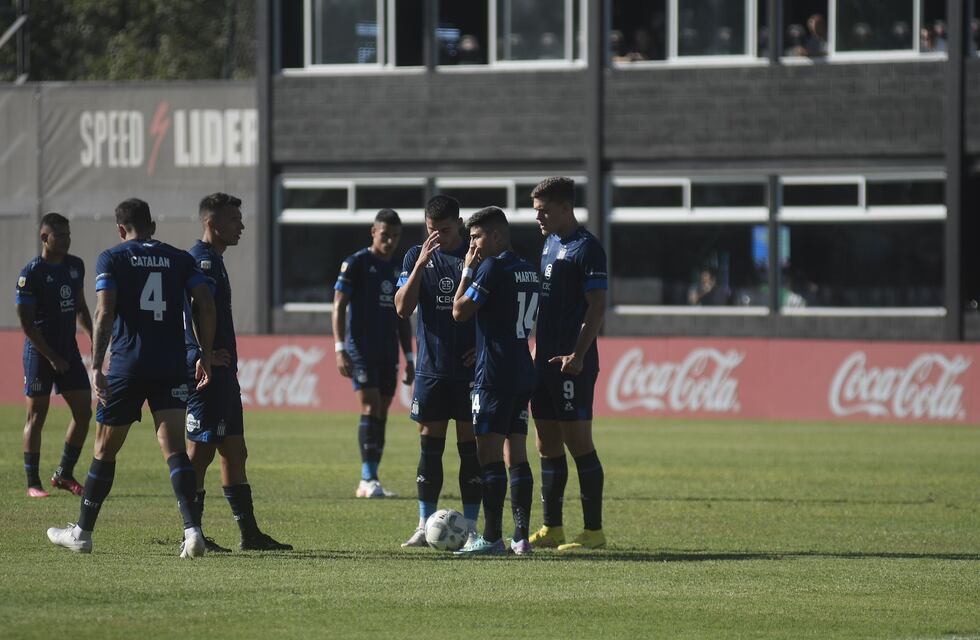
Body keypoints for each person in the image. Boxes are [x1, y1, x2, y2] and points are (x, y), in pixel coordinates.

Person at [46, 198, 216, 557]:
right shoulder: (179, 258)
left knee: (105, 449)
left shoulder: (112, 257)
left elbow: (104, 311)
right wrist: (204, 352)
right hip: (170, 363)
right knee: (173, 449)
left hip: (128, 364)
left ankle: (82, 532)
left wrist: (95, 365)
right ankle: (192, 531)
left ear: (121, 230)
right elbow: (206, 301)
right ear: (152, 225)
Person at [184, 193, 292, 552]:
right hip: (207, 373)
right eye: (234, 220)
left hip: (224, 374)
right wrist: (203, 355)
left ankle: (250, 535)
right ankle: (192, 532)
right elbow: (197, 312)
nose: (241, 226)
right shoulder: (201, 262)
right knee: (200, 453)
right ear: (212, 224)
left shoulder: (213, 259)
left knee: (234, 450)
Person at [394, 195, 482, 548]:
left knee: (469, 449)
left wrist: (484, 347)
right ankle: (422, 522)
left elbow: (492, 308)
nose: (439, 237)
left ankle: (472, 526)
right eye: (432, 231)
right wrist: (419, 266)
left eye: (445, 231)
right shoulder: (416, 255)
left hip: (469, 371)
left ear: (459, 224)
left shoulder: (475, 255)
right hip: (432, 369)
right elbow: (402, 308)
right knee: (429, 448)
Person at [528, 177, 608, 552]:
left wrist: (577, 354)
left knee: (579, 443)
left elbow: (597, 306)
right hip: (543, 361)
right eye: (536, 211)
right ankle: (553, 528)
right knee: (546, 444)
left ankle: (593, 531)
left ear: (564, 207)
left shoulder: (587, 248)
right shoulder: (549, 244)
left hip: (572, 364)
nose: (538, 217)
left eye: (543, 210)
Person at [452, 206, 538, 556]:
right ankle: (521, 539)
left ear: (497, 235)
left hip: (494, 375)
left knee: (487, 457)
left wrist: (467, 271)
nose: (471, 245)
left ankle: (490, 537)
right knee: (516, 455)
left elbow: (459, 311)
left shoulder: (490, 267)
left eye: (476, 237)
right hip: (521, 369)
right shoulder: (529, 270)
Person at [333, 209, 414, 499]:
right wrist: (340, 347)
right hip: (361, 349)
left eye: (395, 236)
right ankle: (367, 478)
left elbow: (403, 317)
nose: (390, 241)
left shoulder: (397, 269)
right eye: (385, 235)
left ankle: (372, 477)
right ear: (373, 232)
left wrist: (410, 357)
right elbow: (339, 305)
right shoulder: (356, 263)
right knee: (369, 407)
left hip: (388, 351)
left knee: (381, 410)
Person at [16, 213, 93, 498]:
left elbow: (81, 307)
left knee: (84, 412)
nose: (66, 240)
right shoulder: (31, 274)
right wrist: (50, 357)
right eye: (60, 235)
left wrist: (93, 338)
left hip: (68, 351)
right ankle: (32, 482)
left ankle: (64, 473)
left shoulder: (75, 266)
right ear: (44, 237)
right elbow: (26, 324)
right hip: (39, 352)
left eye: (68, 234)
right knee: (37, 416)